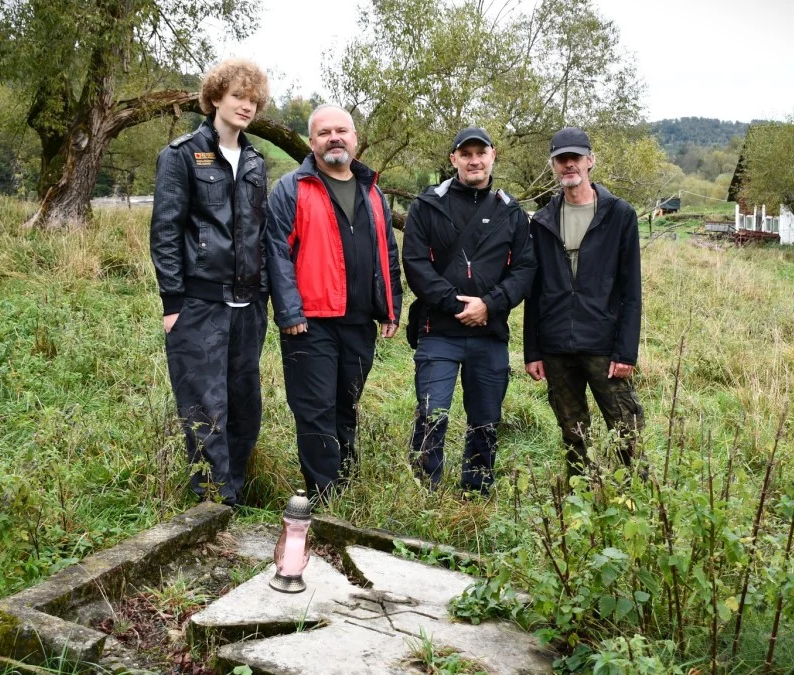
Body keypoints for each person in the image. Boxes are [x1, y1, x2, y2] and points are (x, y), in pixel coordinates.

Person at [266, 104, 402, 502]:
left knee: (347, 403)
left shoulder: (372, 190)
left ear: (355, 138)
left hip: (359, 322)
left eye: (342, 130)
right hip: (309, 323)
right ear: (312, 142)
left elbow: (386, 252)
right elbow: (275, 252)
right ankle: (324, 498)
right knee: (315, 409)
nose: (334, 138)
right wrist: (289, 311)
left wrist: (390, 306)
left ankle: (343, 483)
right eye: (324, 133)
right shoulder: (292, 188)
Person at [149, 59, 270, 505]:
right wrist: (172, 301)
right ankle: (211, 505)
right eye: (238, 96)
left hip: (249, 306)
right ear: (216, 97)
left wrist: (265, 298)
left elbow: (260, 232)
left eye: (254, 100)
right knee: (204, 409)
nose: (246, 106)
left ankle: (231, 494)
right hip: (199, 304)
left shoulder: (257, 162)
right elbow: (165, 230)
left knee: (245, 407)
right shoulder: (181, 154)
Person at [401, 127, 535, 495]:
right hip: (438, 332)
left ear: (493, 156)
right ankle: (422, 489)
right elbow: (415, 263)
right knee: (432, 414)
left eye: (481, 153)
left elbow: (525, 269)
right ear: (453, 160)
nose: (474, 160)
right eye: (466, 154)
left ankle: (475, 492)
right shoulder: (428, 205)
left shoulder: (511, 212)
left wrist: (489, 306)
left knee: (486, 420)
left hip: (489, 335)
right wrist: (454, 304)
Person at [523, 126, 645, 478]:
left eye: (575, 158)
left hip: (604, 344)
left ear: (590, 161)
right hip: (556, 344)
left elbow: (630, 289)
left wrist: (626, 351)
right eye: (561, 160)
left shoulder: (619, 215)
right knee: (572, 430)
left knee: (625, 427)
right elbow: (535, 290)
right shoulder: (542, 221)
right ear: (553, 166)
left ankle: (631, 496)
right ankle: (579, 499)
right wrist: (533, 350)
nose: (569, 165)